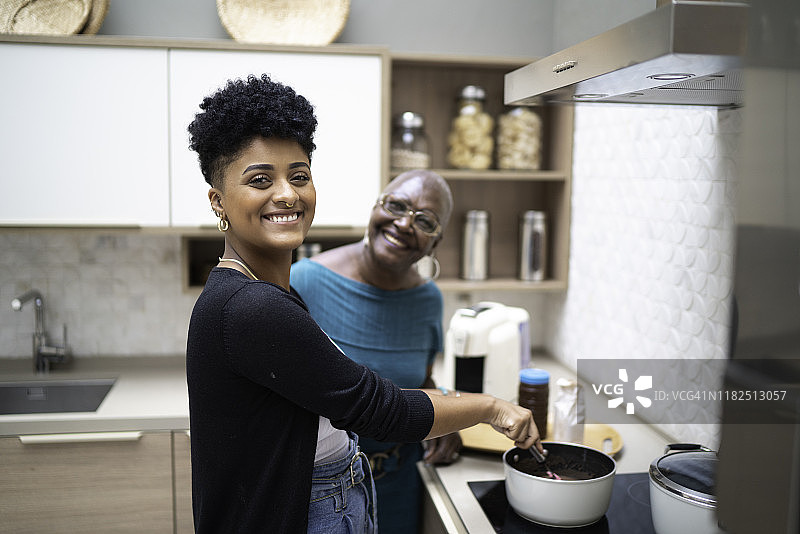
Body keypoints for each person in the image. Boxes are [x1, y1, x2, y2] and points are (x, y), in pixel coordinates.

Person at [185, 73, 540, 533]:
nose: (287, 193)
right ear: (219, 201)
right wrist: (492, 408)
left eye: (299, 176)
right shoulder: (252, 308)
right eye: (260, 180)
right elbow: (381, 409)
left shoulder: (264, 294)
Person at [290, 169, 461, 534]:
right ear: (375, 207)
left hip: (403, 480)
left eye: (425, 221)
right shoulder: (305, 281)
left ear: (435, 242)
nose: (403, 223)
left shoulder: (428, 299)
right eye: (396, 205)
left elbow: (421, 378)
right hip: (323, 491)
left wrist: (446, 421)